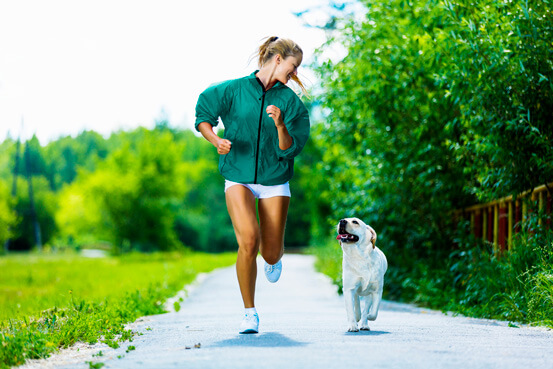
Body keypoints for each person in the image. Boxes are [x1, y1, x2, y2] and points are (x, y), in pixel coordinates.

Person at [195, 36, 310, 334]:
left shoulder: (291, 103)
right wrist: (215, 139)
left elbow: (290, 149)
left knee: (270, 253)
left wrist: (281, 125)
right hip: (238, 176)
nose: (294, 73)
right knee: (248, 240)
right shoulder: (232, 90)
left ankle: (274, 259)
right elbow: (204, 115)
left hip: (274, 180)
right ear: (277, 59)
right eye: (293, 66)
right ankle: (249, 313)